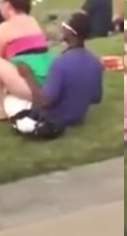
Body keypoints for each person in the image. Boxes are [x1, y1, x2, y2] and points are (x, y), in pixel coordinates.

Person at [12, 12, 104, 140]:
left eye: (65, 26)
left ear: (72, 33)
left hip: (55, 117)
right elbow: (96, 98)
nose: (62, 28)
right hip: (78, 117)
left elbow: (45, 101)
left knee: (11, 102)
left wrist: (28, 76)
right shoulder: (95, 62)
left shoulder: (61, 63)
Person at [0, 0, 55, 120]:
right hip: (49, 84)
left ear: (8, 5)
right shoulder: (33, 21)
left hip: (32, 86)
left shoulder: (5, 27)